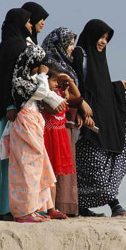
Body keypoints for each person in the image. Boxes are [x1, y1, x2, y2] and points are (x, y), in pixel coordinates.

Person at [72, 19, 126, 217]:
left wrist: (116, 86)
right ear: (91, 36)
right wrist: (82, 109)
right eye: (101, 37)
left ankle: (85, 205)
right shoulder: (80, 54)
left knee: (105, 165)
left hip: (100, 121)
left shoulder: (99, 59)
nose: (103, 42)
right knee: (91, 171)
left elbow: (99, 86)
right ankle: (111, 204)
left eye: (106, 38)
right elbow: (77, 84)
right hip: (85, 122)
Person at [9, 46, 67, 223]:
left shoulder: (32, 79)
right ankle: (24, 211)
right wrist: (42, 75)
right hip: (25, 124)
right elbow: (40, 92)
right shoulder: (21, 81)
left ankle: (41, 207)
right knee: (28, 169)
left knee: (40, 166)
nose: (42, 67)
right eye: (38, 64)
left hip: (34, 123)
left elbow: (47, 94)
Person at [0, 8, 33, 221]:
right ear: (20, 24)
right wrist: (10, 106)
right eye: (28, 22)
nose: (31, 26)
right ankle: (10, 207)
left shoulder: (2, 46)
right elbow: (11, 80)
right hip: (9, 112)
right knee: (10, 160)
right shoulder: (18, 46)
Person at [41, 27, 93, 216]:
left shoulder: (66, 67)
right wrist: (79, 104)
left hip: (63, 127)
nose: (72, 47)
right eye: (69, 43)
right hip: (50, 128)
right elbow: (53, 100)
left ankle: (58, 207)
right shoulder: (48, 66)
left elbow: (72, 96)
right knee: (48, 170)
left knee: (57, 172)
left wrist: (70, 83)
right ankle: (48, 207)